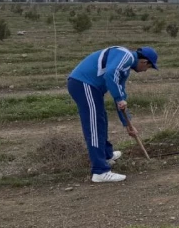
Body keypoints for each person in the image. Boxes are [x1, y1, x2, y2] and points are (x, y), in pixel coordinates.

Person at [67, 46, 158, 183]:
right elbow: (110, 74)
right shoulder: (126, 56)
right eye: (149, 68)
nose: (145, 71)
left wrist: (127, 123)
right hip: (83, 84)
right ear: (144, 62)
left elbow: (120, 96)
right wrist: (119, 98)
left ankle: (106, 156)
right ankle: (100, 171)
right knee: (95, 126)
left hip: (91, 88)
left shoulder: (125, 69)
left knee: (101, 120)